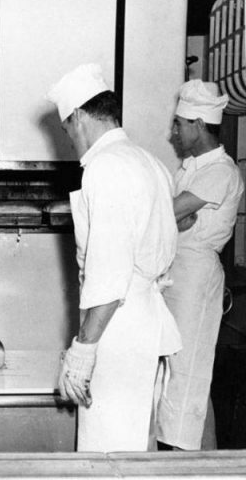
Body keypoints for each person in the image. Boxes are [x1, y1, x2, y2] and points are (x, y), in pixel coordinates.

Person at [45, 63, 182, 452]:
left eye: (67, 128)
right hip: (147, 324)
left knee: (108, 456)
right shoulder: (150, 162)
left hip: (118, 333)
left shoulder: (105, 168)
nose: (70, 139)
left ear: (79, 117)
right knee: (139, 448)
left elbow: (109, 275)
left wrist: (83, 350)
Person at [156, 80, 244, 450]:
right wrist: (178, 218)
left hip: (196, 277)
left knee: (187, 368)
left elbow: (169, 212)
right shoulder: (189, 168)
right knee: (168, 365)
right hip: (174, 269)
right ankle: (170, 452)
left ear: (197, 124)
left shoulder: (221, 170)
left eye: (179, 123)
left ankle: (182, 458)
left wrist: (177, 217)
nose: (173, 131)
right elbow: (175, 218)